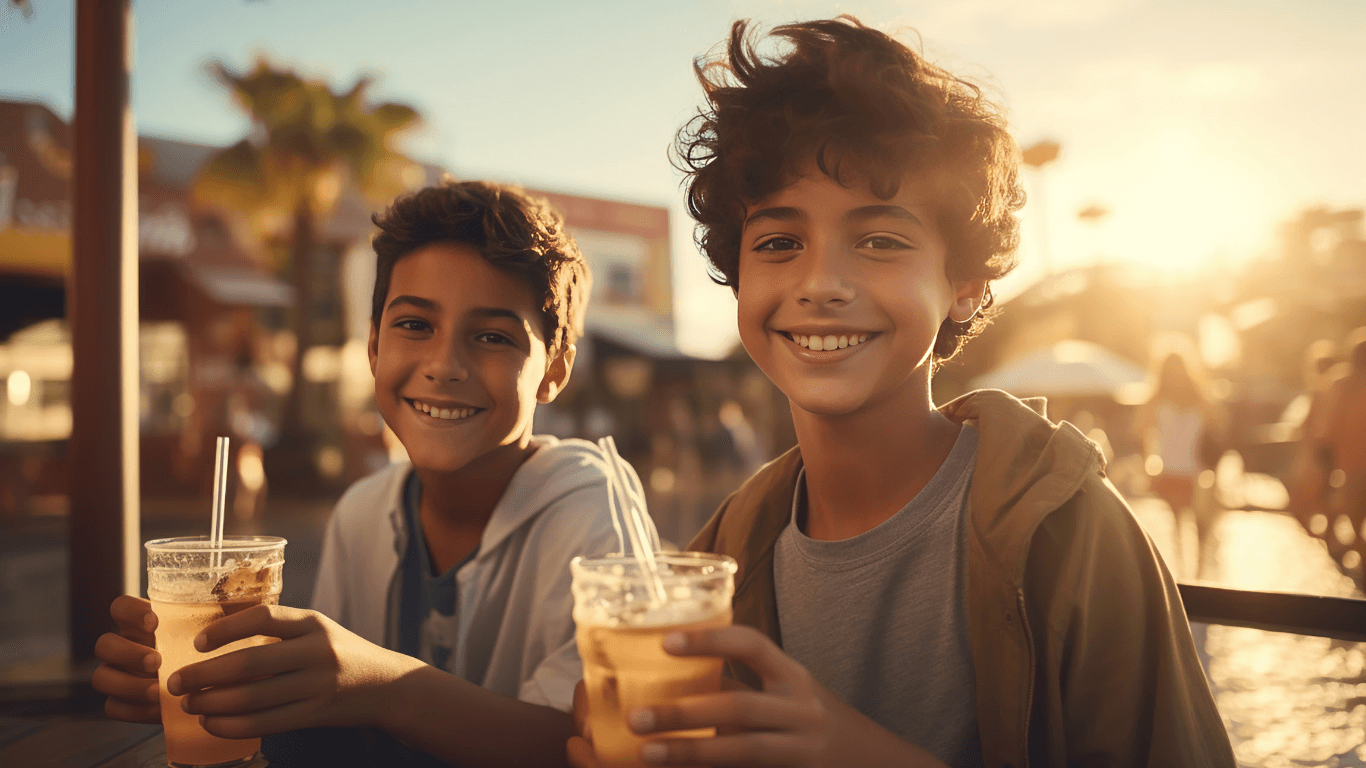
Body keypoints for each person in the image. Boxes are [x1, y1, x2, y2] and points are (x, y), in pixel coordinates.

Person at [568, 17, 1234, 767]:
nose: (819, 283)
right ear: (740, 279)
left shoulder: (1068, 534)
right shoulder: (725, 550)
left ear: (963, 286)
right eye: (779, 244)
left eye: (880, 241)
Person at [93, 181, 654, 767]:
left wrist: (378, 686)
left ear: (554, 371)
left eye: (492, 336)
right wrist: (221, 685)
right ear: (373, 349)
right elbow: (346, 738)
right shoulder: (362, 512)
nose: (443, 366)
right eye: (414, 325)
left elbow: (590, 746)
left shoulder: (593, 511)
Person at [1133, 347, 1225, 577]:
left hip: (1199, 472)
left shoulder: (1200, 398)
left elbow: (1219, 427)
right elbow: (1142, 434)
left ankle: (1197, 574)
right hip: (1170, 470)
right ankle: (1183, 575)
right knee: (1177, 526)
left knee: (1199, 526)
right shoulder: (1156, 400)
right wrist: (1148, 467)